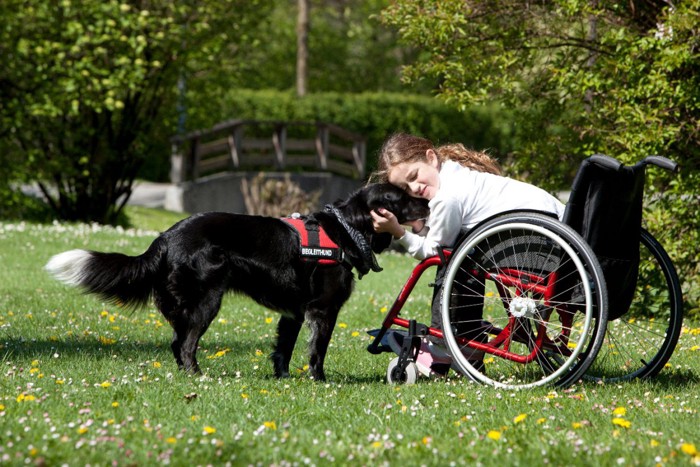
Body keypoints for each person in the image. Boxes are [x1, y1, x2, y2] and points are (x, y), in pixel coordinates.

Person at [370, 133, 565, 376]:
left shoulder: (447, 197)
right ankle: (464, 340)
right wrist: (419, 227)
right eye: (405, 188)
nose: (415, 188)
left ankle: (445, 344)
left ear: (431, 157)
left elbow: (433, 251)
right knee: (461, 250)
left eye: (414, 177)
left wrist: (398, 232)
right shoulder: (459, 176)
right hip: (553, 238)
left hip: (537, 246)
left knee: (452, 257)